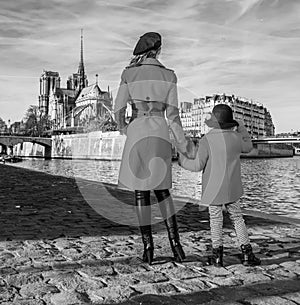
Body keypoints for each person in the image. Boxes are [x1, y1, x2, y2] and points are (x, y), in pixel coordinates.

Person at [113, 32, 196, 264]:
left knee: (141, 192)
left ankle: (148, 249)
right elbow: (174, 116)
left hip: (138, 130)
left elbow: (118, 108)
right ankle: (176, 246)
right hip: (160, 132)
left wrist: (124, 128)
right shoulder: (169, 76)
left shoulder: (129, 73)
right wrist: (182, 144)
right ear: (158, 51)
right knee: (163, 191)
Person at [179, 104, 261, 267]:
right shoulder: (236, 138)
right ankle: (247, 254)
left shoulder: (206, 140)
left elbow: (197, 166)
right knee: (238, 218)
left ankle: (217, 257)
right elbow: (249, 146)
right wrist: (241, 126)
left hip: (213, 188)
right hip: (232, 187)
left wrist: (182, 161)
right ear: (230, 122)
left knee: (216, 220)